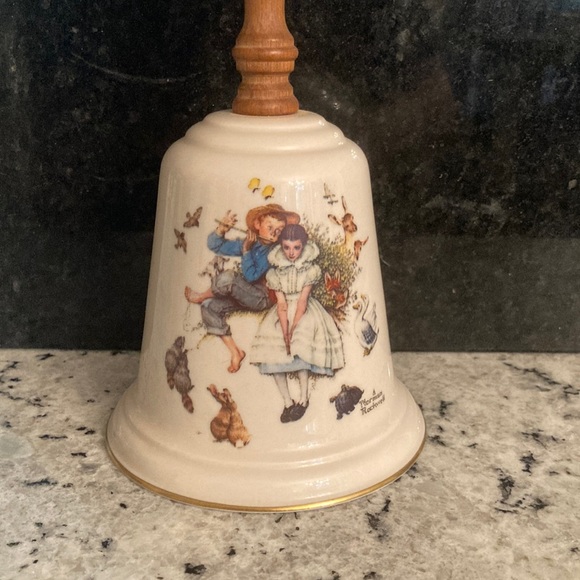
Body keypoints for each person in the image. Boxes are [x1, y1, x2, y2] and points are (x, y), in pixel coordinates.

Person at [185, 204, 300, 373]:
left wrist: (246, 251)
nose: (274, 234)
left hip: (262, 297)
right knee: (209, 306)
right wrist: (221, 230)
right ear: (257, 225)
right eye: (270, 228)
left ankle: (201, 295)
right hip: (246, 294)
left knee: (229, 278)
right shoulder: (251, 243)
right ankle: (236, 352)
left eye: (279, 230)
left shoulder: (274, 253)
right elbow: (216, 246)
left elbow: (251, 276)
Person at [250, 224, 344, 422]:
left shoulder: (310, 270)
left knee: (300, 346)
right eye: (286, 247)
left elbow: (302, 301)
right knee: (274, 352)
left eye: (296, 247)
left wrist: (293, 327)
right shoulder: (275, 273)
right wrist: (285, 331)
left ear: (303, 246)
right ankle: (287, 402)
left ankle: (303, 399)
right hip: (283, 311)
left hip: (305, 310)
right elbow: (281, 304)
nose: (291, 253)